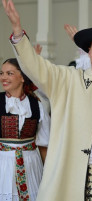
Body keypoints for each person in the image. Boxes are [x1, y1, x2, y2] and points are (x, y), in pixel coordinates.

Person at [1, 0, 92, 201]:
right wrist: (18, 32)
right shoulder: (67, 80)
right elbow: (36, 67)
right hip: (78, 170)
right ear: (89, 53)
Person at [0, 58, 50, 201]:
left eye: (9, 73)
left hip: (31, 165)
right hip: (3, 164)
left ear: (22, 77)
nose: (3, 77)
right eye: (2, 73)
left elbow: (44, 144)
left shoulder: (37, 105)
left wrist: (48, 175)